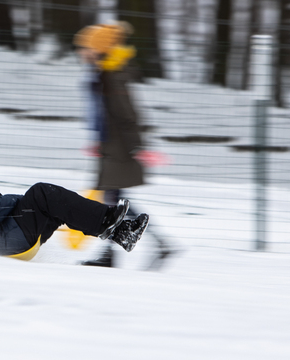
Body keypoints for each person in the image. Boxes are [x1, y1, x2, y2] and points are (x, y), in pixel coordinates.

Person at [0, 153, 149, 261]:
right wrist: (17, 201)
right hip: (12, 240)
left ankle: (121, 233)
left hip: (10, 241)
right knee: (42, 192)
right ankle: (108, 219)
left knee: (56, 205)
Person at [74, 23, 173, 269]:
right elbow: (103, 113)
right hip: (111, 145)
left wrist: (136, 147)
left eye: (85, 48)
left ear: (98, 49)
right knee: (115, 200)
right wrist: (98, 139)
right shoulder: (102, 72)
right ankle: (120, 251)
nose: (80, 52)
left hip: (119, 148)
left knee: (116, 201)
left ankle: (157, 245)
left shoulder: (110, 74)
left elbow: (126, 113)